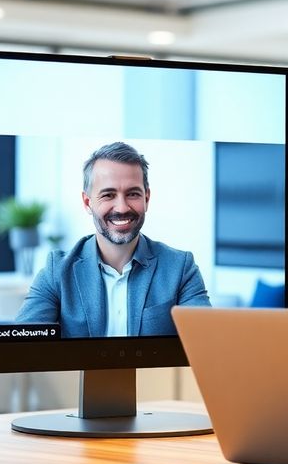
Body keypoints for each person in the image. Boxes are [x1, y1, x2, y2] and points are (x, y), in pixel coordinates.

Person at [15, 142, 210, 338]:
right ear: (87, 202)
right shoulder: (57, 270)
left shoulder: (180, 267)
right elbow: (22, 347)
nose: (122, 207)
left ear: (147, 199)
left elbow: (206, 341)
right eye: (108, 195)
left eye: (133, 194)